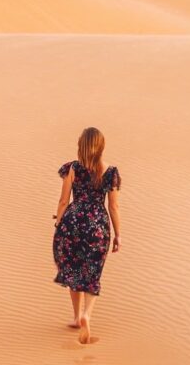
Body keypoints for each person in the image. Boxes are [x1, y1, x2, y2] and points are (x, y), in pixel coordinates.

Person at [52, 126, 122, 344]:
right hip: (98, 226)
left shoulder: (72, 168)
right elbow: (114, 207)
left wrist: (58, 223)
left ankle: (75, 317)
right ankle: (86, 314)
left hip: (72, 223)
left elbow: (64, 200)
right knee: (92, 270)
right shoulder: (109, 172)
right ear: (101, 147)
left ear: (81, 146)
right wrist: (118, 234)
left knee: (73, 267)